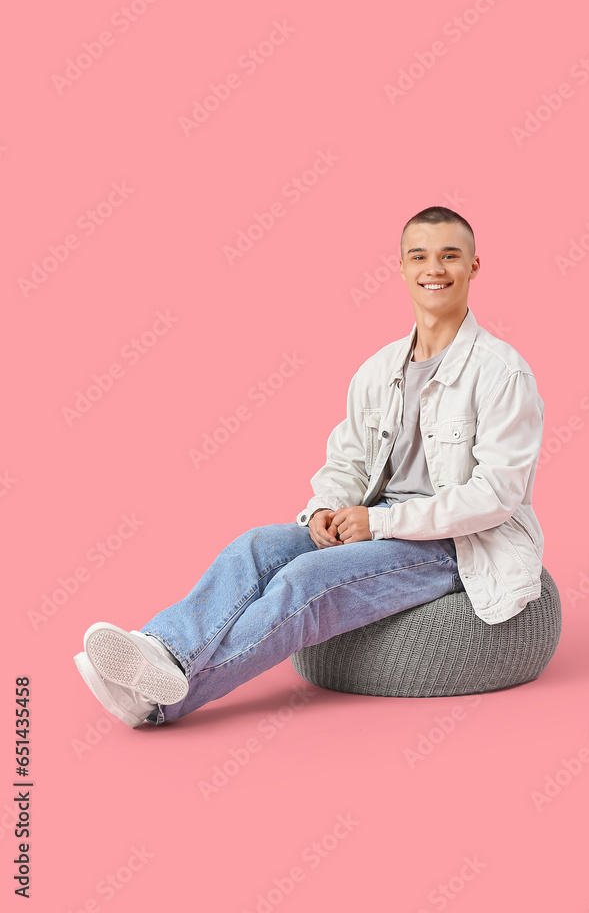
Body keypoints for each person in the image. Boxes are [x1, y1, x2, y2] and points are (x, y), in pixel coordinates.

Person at [73, 206, 545, 728]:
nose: (435, 268)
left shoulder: (502, 373)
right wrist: (326, 507)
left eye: (450, 256)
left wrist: (380, 523)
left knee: (304, 581)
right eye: (420, 256)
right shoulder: (378, 370)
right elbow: (347, 459)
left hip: (455, 545)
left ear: (474, 266)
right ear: (403, 267)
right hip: (374, 522)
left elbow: (497, 496)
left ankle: (160, 699)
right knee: (256, 546)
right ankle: (159, 651)